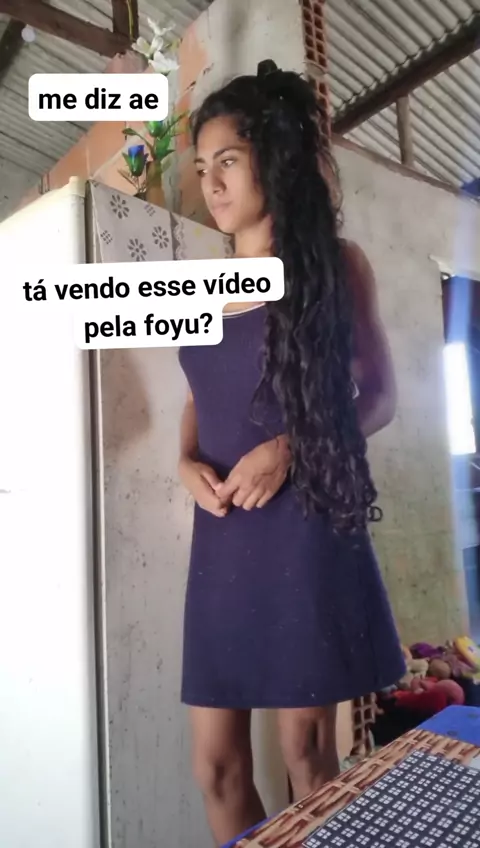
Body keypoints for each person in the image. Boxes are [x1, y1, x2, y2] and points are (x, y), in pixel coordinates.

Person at [177, 59, 406, 846]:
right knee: (216, 766)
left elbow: (379, 397)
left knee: (307, 755)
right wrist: (183, 461)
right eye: (202, 168)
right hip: (222, 535)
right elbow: (198, 396)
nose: (211, 182)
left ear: (271, 159)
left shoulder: (337, 266)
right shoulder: (203, 288)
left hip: (304, 523)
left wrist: (289, 449)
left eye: (228, 161)